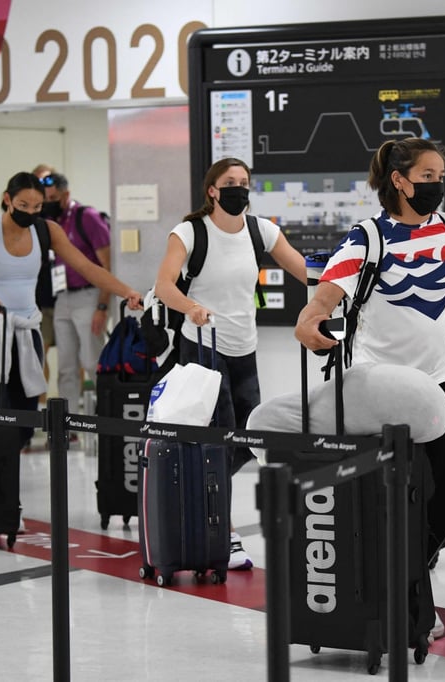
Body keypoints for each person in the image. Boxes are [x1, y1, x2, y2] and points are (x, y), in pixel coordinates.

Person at [295, 138, 445, 638]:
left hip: (438, 378)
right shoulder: (367, 238)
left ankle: (407, 568)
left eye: (440, 174)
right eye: (426, 176)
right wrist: (310, 322)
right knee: (388, 494)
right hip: (378, 385)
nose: (436, 185)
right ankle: (398, 586)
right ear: (398, 180)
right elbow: (324, 297)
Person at [154, 157, 307, 570]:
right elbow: (163, 286)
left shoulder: (261, 230)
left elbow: (303, 270)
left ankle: (199, 502)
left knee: (245, 438)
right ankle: (225, 530)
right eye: (230, 183)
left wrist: (343, 281)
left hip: (244, 347)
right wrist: (192, 307)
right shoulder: (190, 233)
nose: (239, 189)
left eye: (244, 182)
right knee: (219, 439)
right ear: (213, 191)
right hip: (202, 346)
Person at [0, 171, 141, 438]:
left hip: (26, 327)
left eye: (37, 207)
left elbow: (86, 267)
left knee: (25, 415)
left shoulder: (46, 231)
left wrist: (126, 291)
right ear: (7, 199)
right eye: (23, 206)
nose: (30, 213)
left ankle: (12, 467)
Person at [40, 172, 111, 426]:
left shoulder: (87, 218)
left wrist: (102, 307)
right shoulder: (52, 223)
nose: (48, 203)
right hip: (63, 298)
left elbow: (107, 264)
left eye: (53, 198)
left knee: (92, 361)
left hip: (90, 296)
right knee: (66, 366)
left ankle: (106, 419)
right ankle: (67, 426)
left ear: (65, 195)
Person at [31, 163, 57, 411]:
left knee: (73, 359)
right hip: (39, 297)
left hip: (63, 295)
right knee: (41, 352)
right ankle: (40, 407)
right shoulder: (32, 217)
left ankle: (73, 408)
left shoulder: (61, 213)